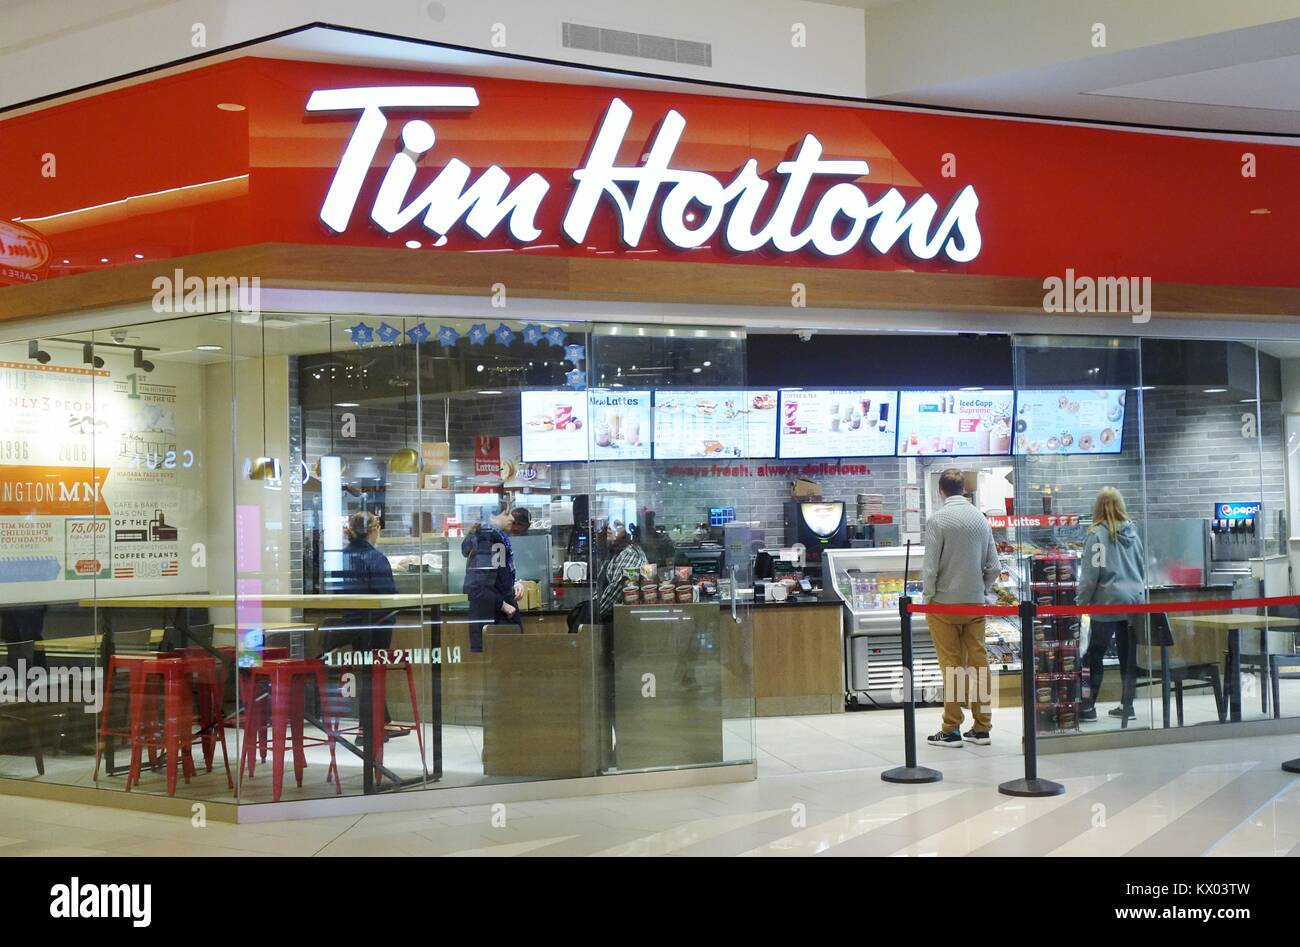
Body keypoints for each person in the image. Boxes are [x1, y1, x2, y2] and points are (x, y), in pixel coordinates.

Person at [922, 469, 1000, 747]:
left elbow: (930, 568)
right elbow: (995, 566)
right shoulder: (980, 519)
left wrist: (928, 597)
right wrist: (981, 588)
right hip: (975, 603)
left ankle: (951, 728)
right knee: (979, 664)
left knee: (952, 665)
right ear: (964, 489)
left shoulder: (938, 520)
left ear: (940, 491)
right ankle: (982, 728)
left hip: (943, 605)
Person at [331, 511, 403, 741]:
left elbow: (337, 590)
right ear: (373, 530)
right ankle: (366, 729)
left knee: (368, 672)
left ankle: (381, 723)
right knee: (373, 674)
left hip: (352, 623)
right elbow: (389, 595)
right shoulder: (376, 558)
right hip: (377, 624)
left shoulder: (342, 556)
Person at [1077, 486, 1145, 722]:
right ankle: (1128, 707)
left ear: (1097, 507)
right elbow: (1141, 567)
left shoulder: (1097, 535)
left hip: (1106, 603)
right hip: (1133, 602)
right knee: (1128, 657)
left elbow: (1090, 575)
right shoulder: (1133, 534)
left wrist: (1080, 604)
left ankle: (1088, 707)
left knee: (1094, 655)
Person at [460, 504, 530, 652]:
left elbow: (493, 577)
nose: (512, 518)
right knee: (502, 673)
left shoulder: (496, 540)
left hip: (497, 622)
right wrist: (503, 605)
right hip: (494, 622)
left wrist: (512, 584)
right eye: (507, 514)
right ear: (494, 516)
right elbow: (475, 587)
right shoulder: (487, 541)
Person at [593, 523, 647, 623]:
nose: (610, 528)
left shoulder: (631, 555)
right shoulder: (615, 555)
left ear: (627, 532)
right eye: (609, 524)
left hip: (623, 621)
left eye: (617, 525)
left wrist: (592, 612)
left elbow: (614, 595)